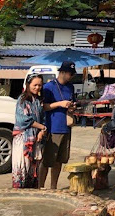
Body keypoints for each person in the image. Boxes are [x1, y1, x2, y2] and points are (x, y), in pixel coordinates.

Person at [39, 61, 76, 189]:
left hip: (66, 127)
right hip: (53, 127)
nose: (71, 76)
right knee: (47, 160)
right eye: (70, 73)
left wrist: (71, 107)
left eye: (72, 74)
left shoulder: (70, 87)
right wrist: (59, 104)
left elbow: (72, 102)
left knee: (60, 160)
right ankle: (40, 187)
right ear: (62, 72)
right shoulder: (49, 87)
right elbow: (43, 106)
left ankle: (53, 186)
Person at [12, 74, 47, 188]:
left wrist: (42, 130)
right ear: (28, 85)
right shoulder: (23, 100)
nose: (37, 88)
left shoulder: (38, 100)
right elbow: (23, 120)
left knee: (33, 169)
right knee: (22, 167)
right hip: (23, 139)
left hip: (36, 138)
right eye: (35, 85)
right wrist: (41, 127)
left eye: (40, 85)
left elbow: (43, 118)